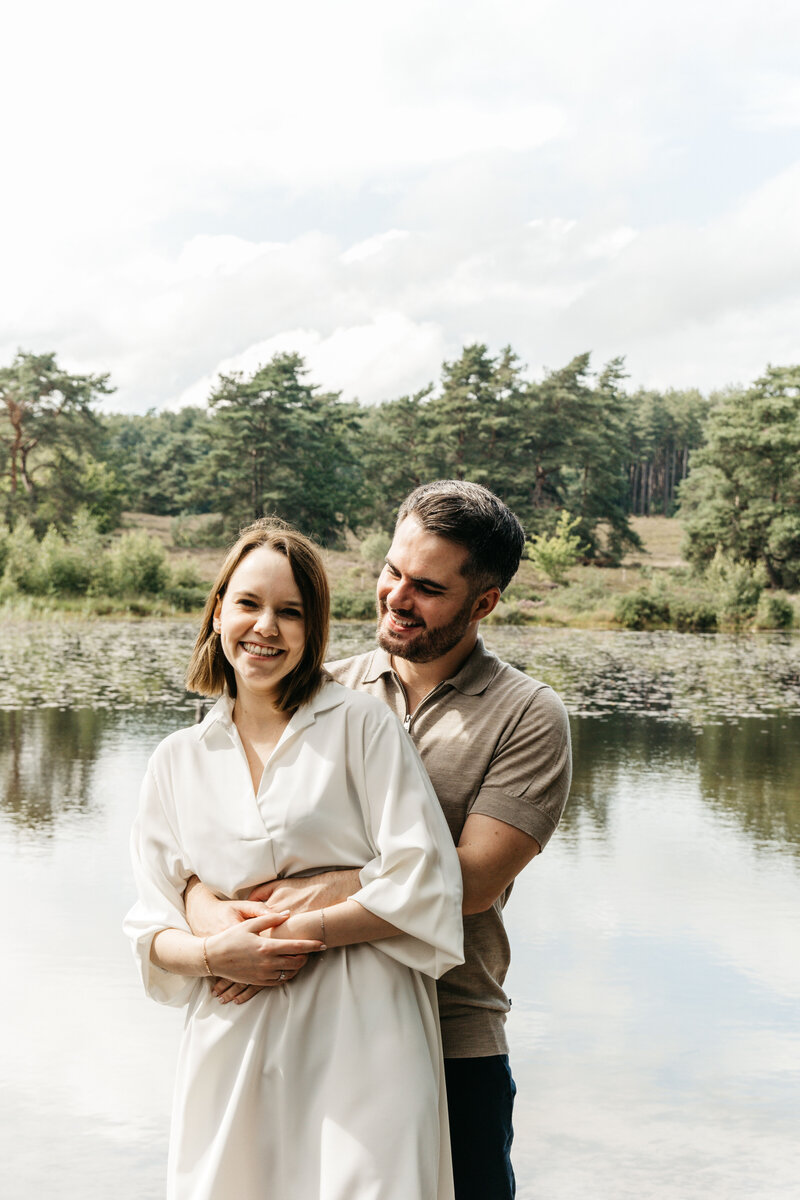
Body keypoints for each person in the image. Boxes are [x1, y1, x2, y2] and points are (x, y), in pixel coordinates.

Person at [188, 481, 572, 1200]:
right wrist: (206, 916)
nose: (396, 595)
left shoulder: (529, 716)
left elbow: (473, 882)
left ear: (483, 603)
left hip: (453, 1032)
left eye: (426, 586)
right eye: (392, 570)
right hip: (310, 1021)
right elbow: (219, 832)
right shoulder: (321, 687)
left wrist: (327, 890)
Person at [124, 519, 464, 1200]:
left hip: (361, 1033)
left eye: (291, 612)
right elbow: (149, 924)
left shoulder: (361, 724)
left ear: (315, 632)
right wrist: (216, 955)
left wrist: (298, 931)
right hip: (233, 1038)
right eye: (249, 604)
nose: (265, 628)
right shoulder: (177, 760)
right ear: (218, 609)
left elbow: (426, 878)